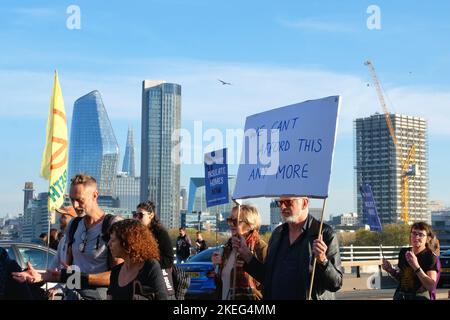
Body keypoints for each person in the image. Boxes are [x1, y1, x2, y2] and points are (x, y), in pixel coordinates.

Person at [13, 174, 123, 300]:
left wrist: (82, 278)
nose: (75, 205)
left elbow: (118, 276)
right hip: (73, 295)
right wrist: (41, 276)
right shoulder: (74, 225)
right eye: (72, 199)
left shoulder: (113, 225)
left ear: (95, 195)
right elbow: (68, 271)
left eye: (80, 200)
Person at [232, 197, 343, 300]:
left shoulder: (324, 234)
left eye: (288, 202)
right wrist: (247, 254)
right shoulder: (278, 233)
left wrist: (323, 261)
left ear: (304, 203)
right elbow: (267, 277)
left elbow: (336, 283)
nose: (282, 207)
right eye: (280, 202)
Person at [212, 205, 267, 300]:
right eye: (230, 221)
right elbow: (222, 283)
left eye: (235, 221)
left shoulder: (261, 248)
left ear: (250, 225)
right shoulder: (227, 248)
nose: (231, 225)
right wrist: (217, 267)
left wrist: (248, 256)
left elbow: (268, 280)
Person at [107, 219, 168, 300]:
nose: (108, 244)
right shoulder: (115, 272)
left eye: (113, 240)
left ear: (128, 242)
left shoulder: (150, 267)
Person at [382, 222, 439, 300]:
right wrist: (391, 270)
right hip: (400, 296)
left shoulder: (430, 256)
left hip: (419, 297)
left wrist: (416, 266)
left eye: (421, 234)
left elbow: (431, 286)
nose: (416, 237)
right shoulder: (403, 252)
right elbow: (403, 279)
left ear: (428, 239)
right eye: (414, 233)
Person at [46, 206, 78, 300]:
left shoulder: (78, 240)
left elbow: (75, 271)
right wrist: (42, 278)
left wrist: (59, 289)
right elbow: (55, 263)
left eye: (64, 217)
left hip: (74, 292)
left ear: (73, 219)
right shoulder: (63, 240)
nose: (60, 219)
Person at [134, 201, 174, 269]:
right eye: (135, 215)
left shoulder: (160, 233)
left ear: (151, 215)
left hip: (157, 274)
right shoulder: (136, 233)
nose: (137, 218)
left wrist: (147, 263)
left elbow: (169, 260)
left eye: (140, 215)